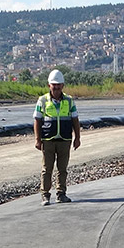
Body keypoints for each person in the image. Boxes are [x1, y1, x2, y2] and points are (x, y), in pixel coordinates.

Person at [33, 69, 81, 205]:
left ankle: (61, 194)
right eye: (54, 84)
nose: (56, 87)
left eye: (59, 84)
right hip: (48, 140)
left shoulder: (69, 101)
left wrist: (77, 138)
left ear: (63, 85)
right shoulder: (42, 101)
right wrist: (37, 139)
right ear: (49, 85)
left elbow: (75, 120)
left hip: (65, 140)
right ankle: (45, 195)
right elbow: (37, 120)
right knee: (47, 169)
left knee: (62, 169)